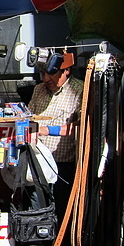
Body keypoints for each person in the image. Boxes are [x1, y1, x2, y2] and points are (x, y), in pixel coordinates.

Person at [27, 52, 83, 212]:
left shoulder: (79, 90)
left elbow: (80, 126)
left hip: (62, 165)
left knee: (60, 209)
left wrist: (48, 130)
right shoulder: (39, 89)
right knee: (37, 209)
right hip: (38, 162)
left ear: (66, 70)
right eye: (43, 73)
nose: (46, 79)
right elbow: (29, 116)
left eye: (51, 73)